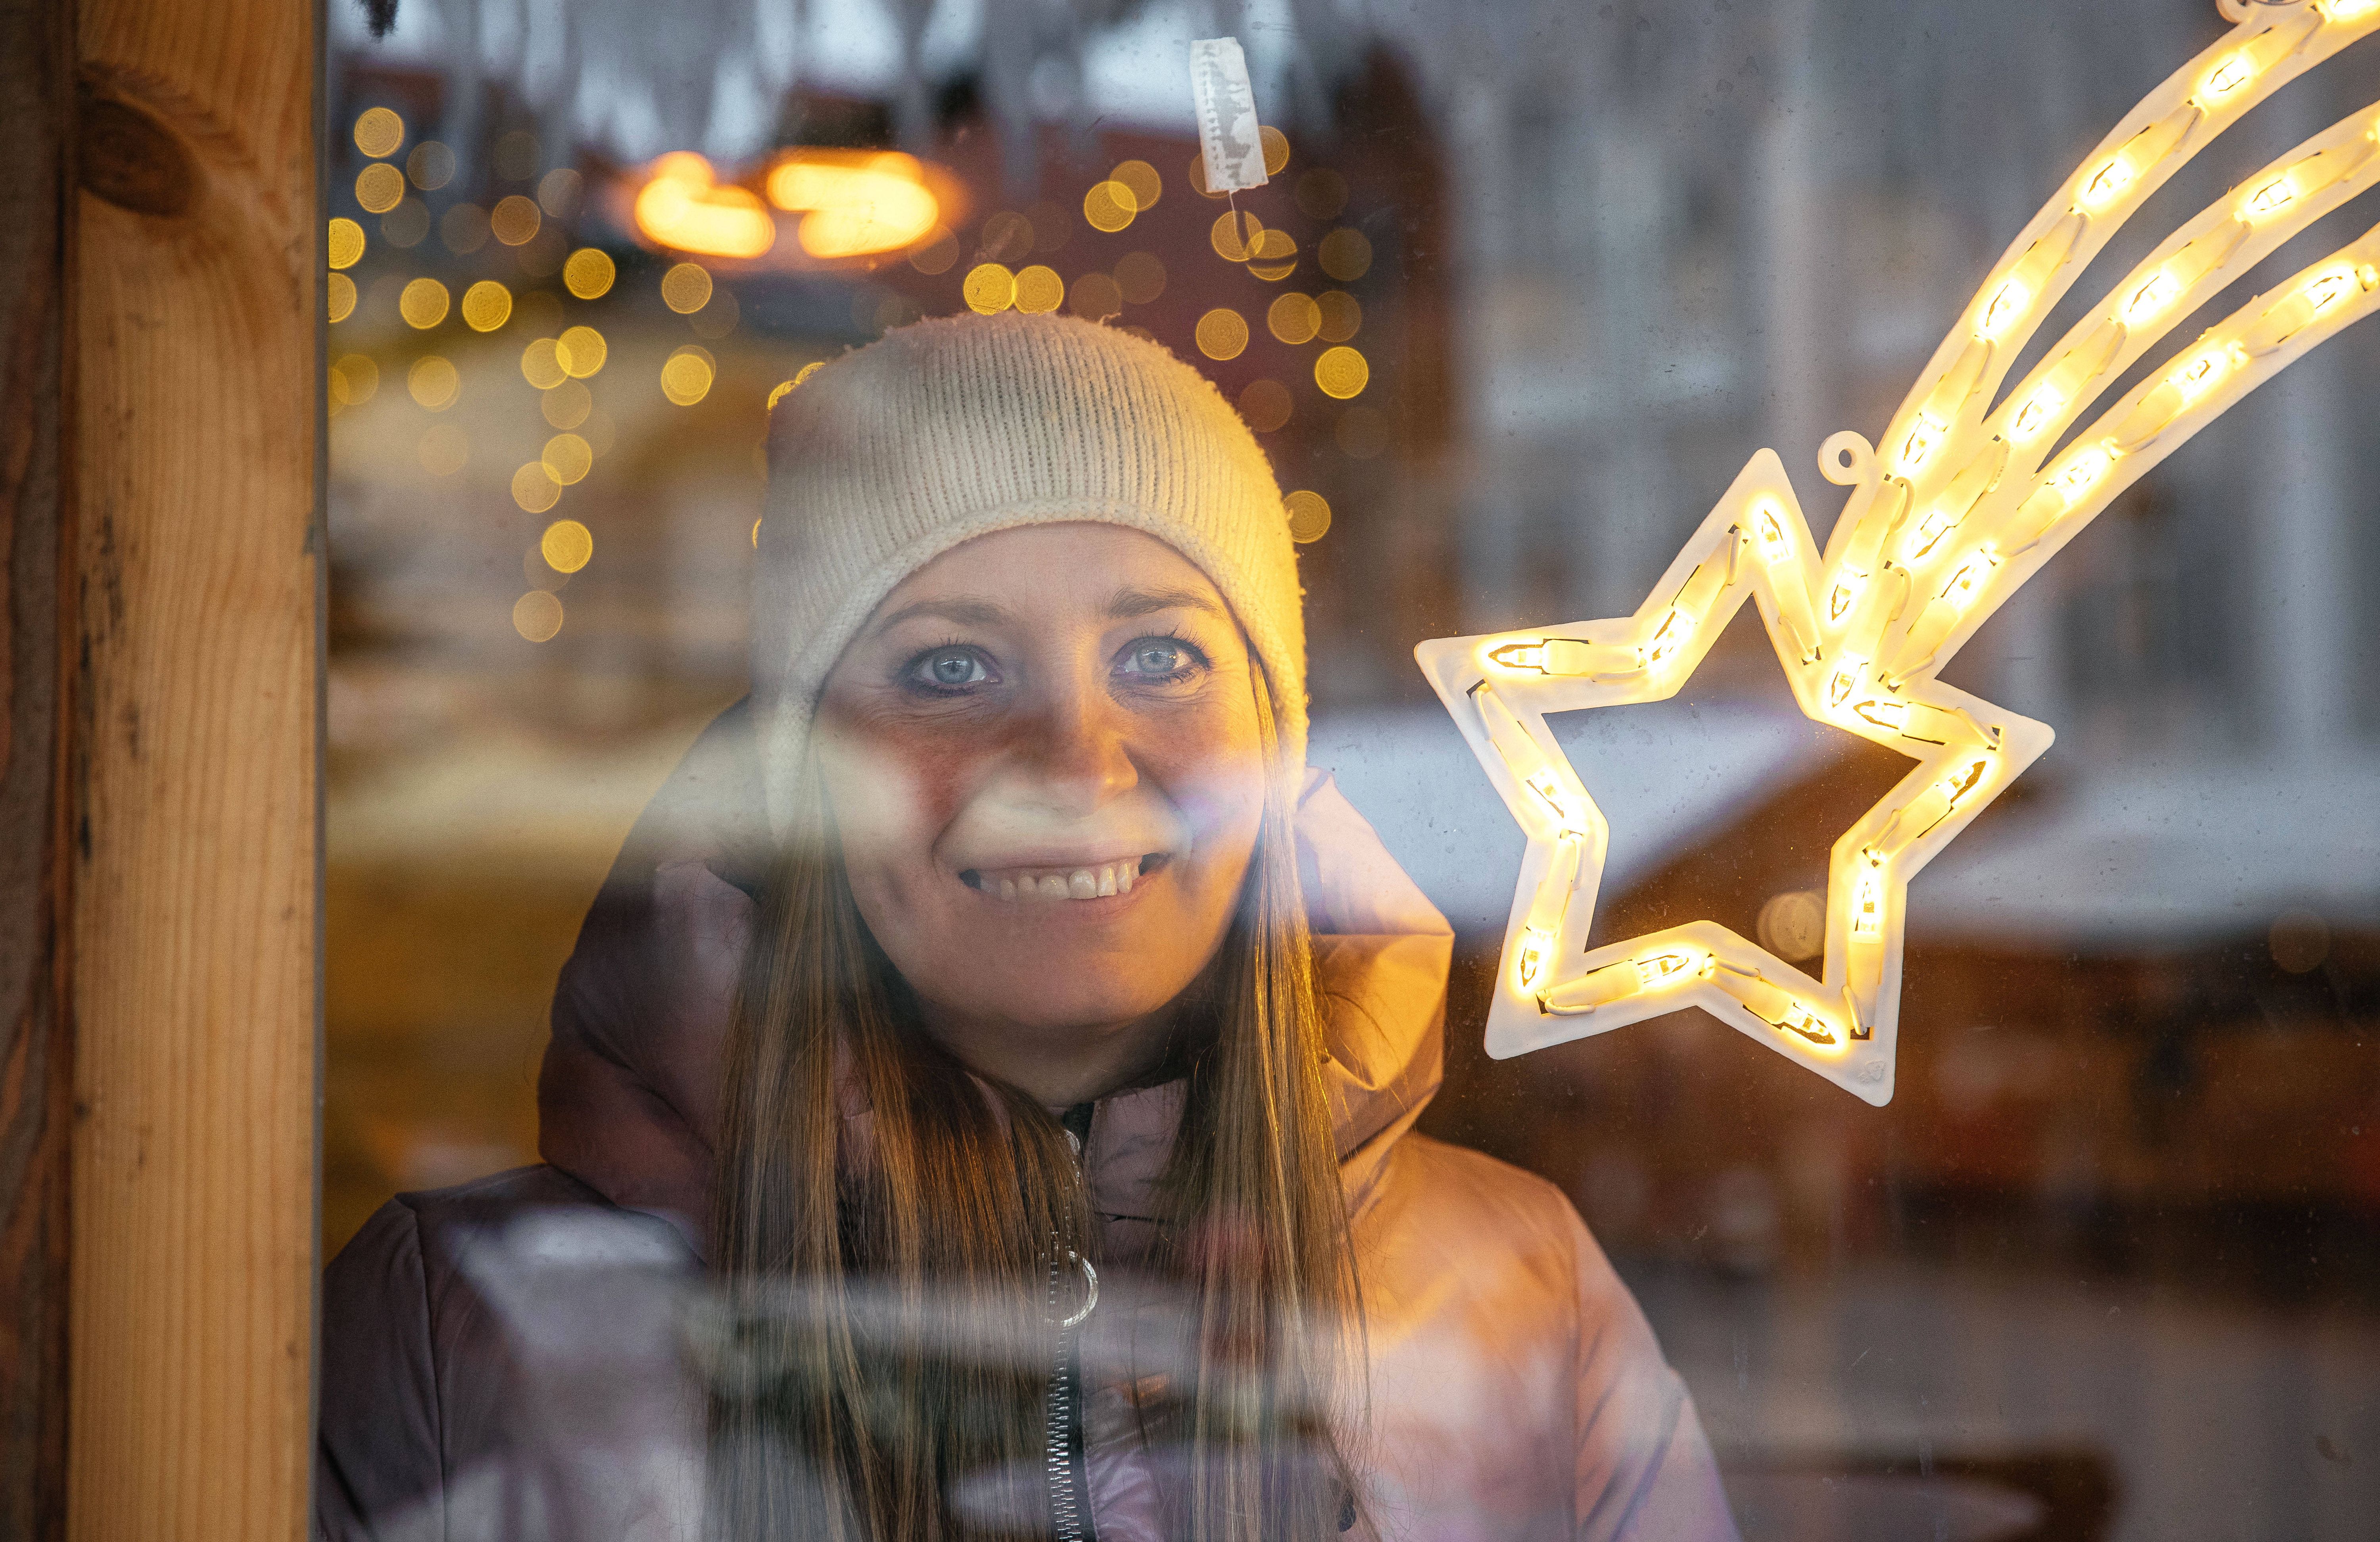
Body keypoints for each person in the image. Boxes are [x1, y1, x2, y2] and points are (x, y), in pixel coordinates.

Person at [316, 313, 1739, 1542]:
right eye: (949, 664)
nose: (1076, 757)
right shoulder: (465, 1335)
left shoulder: (1528, 1297)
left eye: (1161, 655)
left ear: (1271, 740)